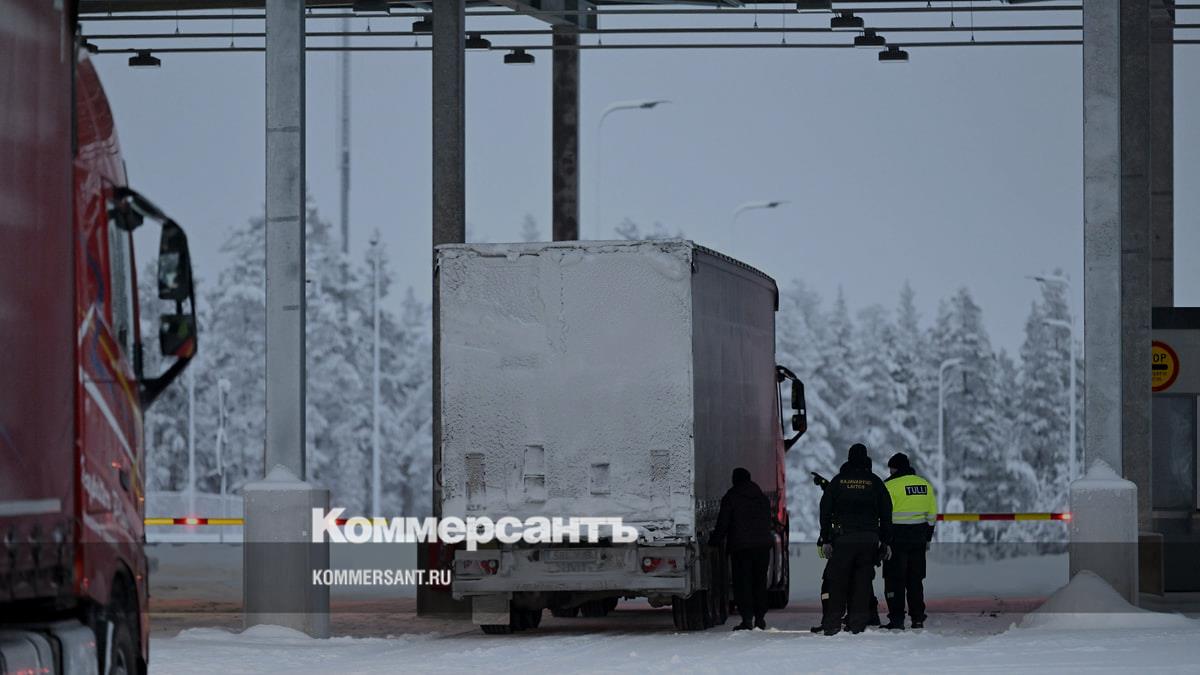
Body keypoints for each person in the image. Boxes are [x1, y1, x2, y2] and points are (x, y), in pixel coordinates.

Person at [818, 443, 892, 635]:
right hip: (869, 540)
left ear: (849, 458)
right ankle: (857, 625)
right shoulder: (875, 482)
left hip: (843, 540)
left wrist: (826, 538)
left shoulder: (838, 481)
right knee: (862, 583)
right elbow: (886, 513)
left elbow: (825, 510)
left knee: (837, 581)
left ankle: (832, 624)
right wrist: (885, 541)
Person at [713, 466, 775, 630]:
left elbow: (723, 523)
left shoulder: (731, 497)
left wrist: (715, 541)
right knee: (759, 582)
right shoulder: (762, 497)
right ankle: (760, 618)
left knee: (743, 584)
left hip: (741, 549)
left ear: (735, 479)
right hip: (762, 547)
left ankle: (747, 619)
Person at [882, 452, 937, 630]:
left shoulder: (889, 486)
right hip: (918, 538)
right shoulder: (924, 484)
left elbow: (883, 515)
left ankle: (897, 619)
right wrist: (928, 538)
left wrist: (883, 540)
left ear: (894, 468)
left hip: (896, 538)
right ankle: (918, 618)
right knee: (915, 579)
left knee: (894, 579)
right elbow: (932, 516)